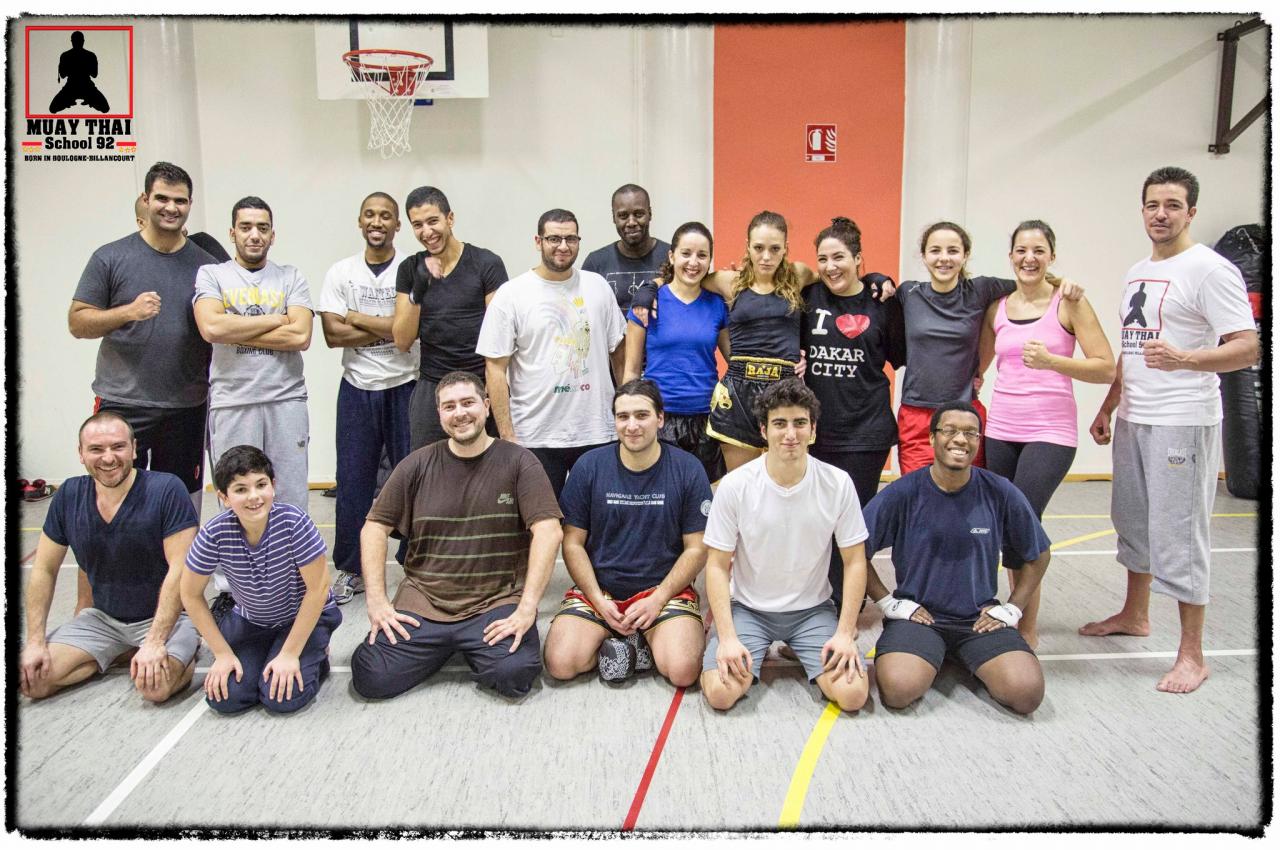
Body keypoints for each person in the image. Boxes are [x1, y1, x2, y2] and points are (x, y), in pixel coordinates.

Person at [1080, 166, 1258, 694]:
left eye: (1173, 205)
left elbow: (1248, 345)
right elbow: (1133, 349)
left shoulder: (1210, 269)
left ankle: (1191, 654)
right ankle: (1136, 614)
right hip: (1136, 416)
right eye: (1153, 204)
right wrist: (1110, 404)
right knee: (1132, 521)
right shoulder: (1139, 270)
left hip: (1183, 421)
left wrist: (1187, 358)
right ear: (1142, 210)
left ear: (1191, 212)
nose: (1161, 214)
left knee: (1179, 535)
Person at [350, 371, 563, 700]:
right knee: (372, 676)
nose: (460, 413)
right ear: (439, 415)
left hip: (494, 602)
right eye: (449, 406)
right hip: (425, 601)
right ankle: (447, 645)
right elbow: (374, 526)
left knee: (515, 674)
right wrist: (377, 602)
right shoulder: (416, 464)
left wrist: (527, 608)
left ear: (487, 406)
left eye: (468, 403)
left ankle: (466, 646)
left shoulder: (519, 462)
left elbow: (548, 530)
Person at [977, 220, 1115, 648]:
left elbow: (1106, 366)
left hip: (1050, 431)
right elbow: (979, 368)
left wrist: (1055, 362)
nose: (1029, 258)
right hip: (1002, 428)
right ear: (1011, 256)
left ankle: (1026, 628)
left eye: (1038, 250)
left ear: (1051, 256)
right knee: (1007, 526)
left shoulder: (1068, 303)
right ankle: (1016, 615)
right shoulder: (997, 308)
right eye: (1021, 250)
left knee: (1025, 522)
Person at [864, 401, 1051, 715]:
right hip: (920, 618)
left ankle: (959, 655)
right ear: (932, 438)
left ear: (978, 441)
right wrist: (887, 602)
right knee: (898, 691)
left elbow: (1040, 554)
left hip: (979, 619)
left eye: (970, 433)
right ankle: (933, 653)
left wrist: (1013, 609)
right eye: (949, 431)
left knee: (1026, 694)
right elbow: (855, 549)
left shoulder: (999, 491)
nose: (960, 439)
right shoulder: (904, 492)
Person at [700, 379, 870, 713]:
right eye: (779, 424)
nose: (790, 434)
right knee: (720, 694)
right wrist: (728, 638)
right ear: (763, 430)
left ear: (813, 429)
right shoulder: (736, 486)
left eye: (799, 423)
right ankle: (755, 646)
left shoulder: (837, 483)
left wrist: (846, 633)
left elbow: (855, 562)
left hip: (812, 611)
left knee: (853, 696)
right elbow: (717, 566)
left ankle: (801, 645)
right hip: (749, 610)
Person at [20, 412, 199, 703]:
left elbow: (180, 569)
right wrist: (35, 641)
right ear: (80, 454)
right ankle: (118, 652)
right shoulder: (69, 495)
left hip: (163, 619)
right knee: (33, 681)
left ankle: (181, 652)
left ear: (134, 448)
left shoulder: (166, 489)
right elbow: (44, 569)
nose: (108, 458)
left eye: (118, 447)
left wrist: (154, 641)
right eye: (96, 449)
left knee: (155, 687)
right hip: (101, 621)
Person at [543, 379, 711, 687]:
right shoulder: (589, 466)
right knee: (560, 663)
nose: (632, 425)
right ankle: (626, 644)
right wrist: (596, 598)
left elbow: (697, 548)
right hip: (602, 591)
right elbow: (573, 543)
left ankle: (642, 639)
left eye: (641, 415)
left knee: (683, 671)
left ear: (660, 419)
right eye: (623, 417)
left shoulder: (688, 469)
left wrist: (658, 599)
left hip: (662, 590)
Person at [71, 161, 216, 501]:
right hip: (123, 402)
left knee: (182, 498)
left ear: (190, 205)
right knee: (113, 493)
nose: (171, 208)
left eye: (180, 201)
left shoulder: (207, 265)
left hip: (187, 403)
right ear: (146, 199)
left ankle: (177, 558)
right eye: (162, 198)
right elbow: (77, 323)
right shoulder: (110, 257)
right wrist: (128, 312)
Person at [896, 222, 1084, 475]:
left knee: (969, 495)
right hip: (916, 414)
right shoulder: (909, 293)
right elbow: (874, 293)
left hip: (963, 413)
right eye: (935, 250)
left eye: (953, 251)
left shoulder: (981, 289)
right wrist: (878, 280)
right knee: (918, 494)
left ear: (965, 255)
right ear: (924, 255)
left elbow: (1030, 279)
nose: (944, 258)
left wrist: (1063, 281)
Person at [476, 209, 627, 500]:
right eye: (554, 238)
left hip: (596, 431)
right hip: (535, 435)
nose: (563, 246)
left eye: (571, 238)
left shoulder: (597, 287)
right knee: (540, 526)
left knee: (597, 527)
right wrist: (507, 435)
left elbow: (617, 352)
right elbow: (494, 370)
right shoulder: (511, 295)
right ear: (538, 241)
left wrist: (622, 412)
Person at [181, 445, 341, 714]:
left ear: (273, 486)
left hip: (302, 619)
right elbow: (190, 594)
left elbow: (318, 589)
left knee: (283, 698)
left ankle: (315, 655)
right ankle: (268, 653)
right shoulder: (214, 533)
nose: (254, 496)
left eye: (261, 485)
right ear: (224, 497)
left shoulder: (294, 522)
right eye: (241, 489)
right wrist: (221, 653)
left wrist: (290, 654)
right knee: (225, 698)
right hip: (253, 622)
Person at [317, 192, 417, 604]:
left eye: (387, 216)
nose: (378, 222)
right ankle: (350, 569)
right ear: (360, 222)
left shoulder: (411, 271)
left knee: (412, 481)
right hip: (358, 387)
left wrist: (354, 316)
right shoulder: (341, 271)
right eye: (370, 215)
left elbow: (409, 333)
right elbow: (330, 334)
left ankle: (416, 565)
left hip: (406, 384)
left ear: (397, 226)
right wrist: (388, 326)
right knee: (353, 482)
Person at [802, 216, 906, 609]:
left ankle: (853, 598)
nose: (831, 266)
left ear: (859, 258)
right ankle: (835, 597)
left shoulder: (882, 301)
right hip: (815, 434)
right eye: (823, 258)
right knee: (816, 523)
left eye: (840, 257)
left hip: (866, 432)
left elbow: (900, 357)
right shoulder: (809, 298)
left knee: (852, 522)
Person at [193, 196, 314, 510]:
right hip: (233, 401)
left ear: (273, 235)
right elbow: (211, 329)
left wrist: (236, 324)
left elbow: (300, 334)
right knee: (236, 494)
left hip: (285, 400)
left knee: (289, 496)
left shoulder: (290, 276)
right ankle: (238, 561)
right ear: (232, 233)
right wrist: (276, 319)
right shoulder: (212, 274)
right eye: (245, 227)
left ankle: (289, 560)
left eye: (262, 228)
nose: (254, 235)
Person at [391, 186, 508, 451]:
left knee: (489, 468)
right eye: (418, 225)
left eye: (433, 221)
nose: (427, 232)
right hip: (433, 382)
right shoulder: (410, 268)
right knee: (427, 469)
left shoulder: (486, 263)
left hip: (480, 381)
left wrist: (492, 388)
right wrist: (418, 290)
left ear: (450, 219)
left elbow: (499, 336)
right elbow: (402, 340)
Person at [622, 222, 729, 484]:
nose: (693, 262)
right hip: (660, 419)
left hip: (707, 421)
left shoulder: (717, 305)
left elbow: (737, 362)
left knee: (704, 501)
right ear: (671, 256)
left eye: (702, 255)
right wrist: (629, 417)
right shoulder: (648, 303)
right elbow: (632, 370)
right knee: (660, 500)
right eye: (686, 253)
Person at [581, 183, 671, 315]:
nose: (631, 222)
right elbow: (583, 313)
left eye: (639, 214)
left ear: (650, 214)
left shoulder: (672, 257)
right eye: (623, 216)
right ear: (614, 218)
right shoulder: (596, 263)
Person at [134, 194, 230, 263]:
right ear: (142, 223)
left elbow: (234, 284)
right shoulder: (130, 259)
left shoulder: (202, 243)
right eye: (160, 217)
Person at [49, 30, 110, 113]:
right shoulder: (90, 55)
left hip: (74, 87)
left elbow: (62, 75)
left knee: (105, 108)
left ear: (72, 41)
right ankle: (82, 100)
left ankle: (72, 101)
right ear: (83, 41)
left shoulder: (66, 55)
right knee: (52, 109)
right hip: (83, 87)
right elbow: (94, 74)